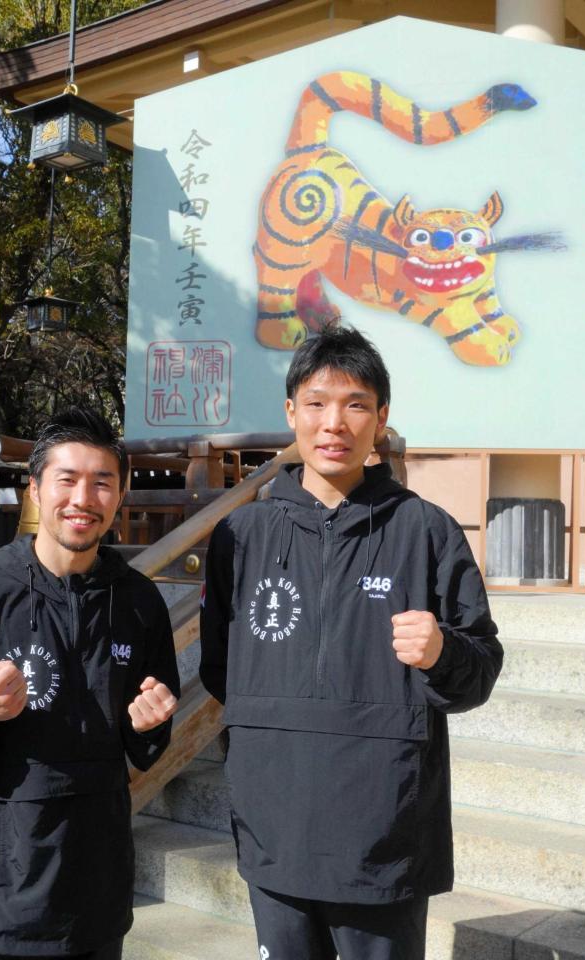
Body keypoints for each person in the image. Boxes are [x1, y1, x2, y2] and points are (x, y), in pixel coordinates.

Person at [200, 326, 502, 960]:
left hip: (383, 831)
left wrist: (442, 653)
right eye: (316, 402)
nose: (333, 422)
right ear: (291, 412)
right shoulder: (241, 536)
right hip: (274, 823)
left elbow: (480, 670)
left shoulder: (427, 532)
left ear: (381, 418)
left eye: (355, 404)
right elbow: (221, 670)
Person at [0, 408, 180, 960]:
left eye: (102, 482)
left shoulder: (139, 602)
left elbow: (145, 738)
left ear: (121, 495)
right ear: (36, 489)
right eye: (67, 479)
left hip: (95, 893)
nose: (83, 498)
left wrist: (150, 723)